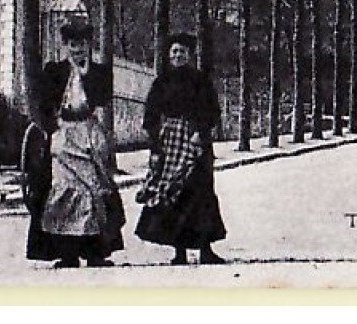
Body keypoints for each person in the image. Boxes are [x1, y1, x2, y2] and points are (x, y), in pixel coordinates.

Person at [27, 19, 124, 268]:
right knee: (65, 191)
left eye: (81, 45)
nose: (77, 51)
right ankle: (67, 252)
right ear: (65, 46)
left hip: (89, 132)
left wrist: (86, 74)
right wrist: (52, 127)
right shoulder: (54, 71)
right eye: (73, 45)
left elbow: (102, 99)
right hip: (64, 134)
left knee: (94, 189)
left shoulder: (99, 72)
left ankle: (94, 252)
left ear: (88, 45)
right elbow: (41, 102)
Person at [134, 31, 227, 265]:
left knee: (201, 193)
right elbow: (151, 115)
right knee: (174, 194)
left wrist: (200, 133)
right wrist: (156, 142)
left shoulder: (201, 81)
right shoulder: (161, 82)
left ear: (190, 55)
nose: (178, 56)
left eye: (182, 52)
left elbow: (212, 111)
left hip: (196, 142)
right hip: (170, 144)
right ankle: (179, 251)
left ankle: (205, 249)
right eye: (174, 51)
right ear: (168, 55)